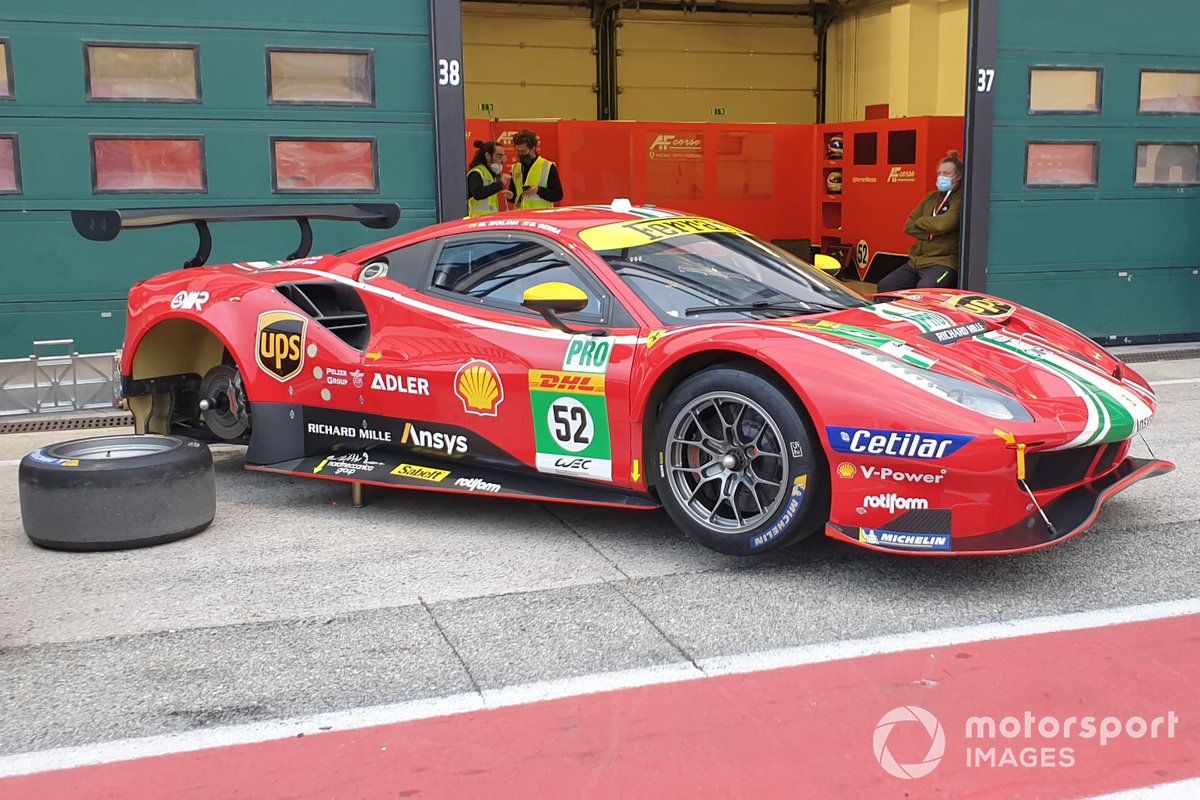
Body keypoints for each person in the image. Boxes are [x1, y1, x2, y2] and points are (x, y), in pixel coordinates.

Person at [877, 150, 964, 292]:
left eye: (946, 173)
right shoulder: (930, 197)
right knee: (886, 286)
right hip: (917, 261)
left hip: (943, 262)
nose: (941, 177)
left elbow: (944, 224)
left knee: (924, 291)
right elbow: (909, 226)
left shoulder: (960, 199)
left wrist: (922, 223)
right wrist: (932, 230)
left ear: (958, 176)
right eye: (939, 173)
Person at [510, 129, 563, 209]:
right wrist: (510, 195)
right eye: (518, 151)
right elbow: (515, 196)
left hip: (540, 216)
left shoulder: (547, 166)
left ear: (533, 149)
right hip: (520, 216)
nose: (520, 154)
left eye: (523, 151)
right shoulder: (515, 168)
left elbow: (557, 195)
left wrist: (538, 190)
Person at [467, 140, 512, 217]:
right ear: (488, 155)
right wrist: (500, 184)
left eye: (503, 156)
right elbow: (478, 193)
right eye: (499, 156)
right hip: (476, 220)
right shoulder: (476, 172)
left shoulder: (492, 174)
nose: (502, 160)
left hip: (489, 220)